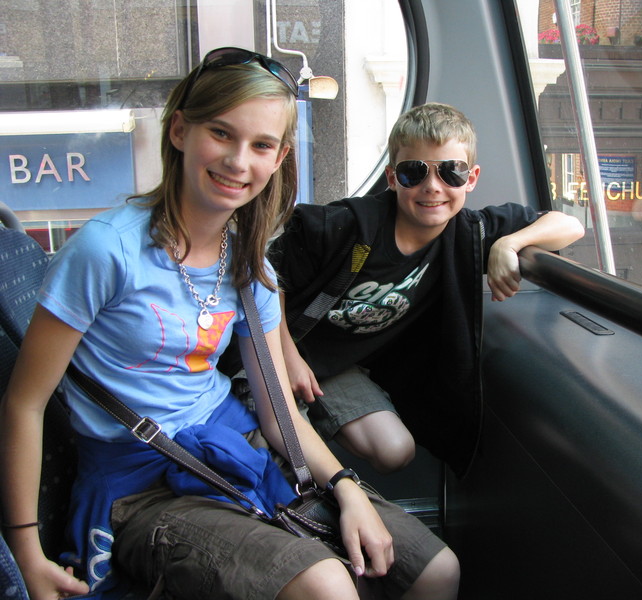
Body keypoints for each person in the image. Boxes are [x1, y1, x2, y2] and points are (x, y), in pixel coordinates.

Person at [0, 48, 459, 600]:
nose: (239, 161)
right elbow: (24, 404)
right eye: (221, 133)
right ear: (179, 131)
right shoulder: (106, 251)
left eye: (261, 145)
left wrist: (346, 487)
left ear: (279, 158)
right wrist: (25, 552)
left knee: (436, 570)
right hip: (139, 488)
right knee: (326, 585)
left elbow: (277, 410)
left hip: (237, 445)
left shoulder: (248, 265)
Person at [269, 102, 585, 476]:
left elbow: (570, 225)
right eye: (413, 172)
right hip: (276, 351)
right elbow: (268, 277)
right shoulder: (343, 226)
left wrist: (509, 244)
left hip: (334, 368)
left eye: (451, 172)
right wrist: (288, 357)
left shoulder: (470, 235)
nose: (432, 186)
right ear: (392, 178)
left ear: (471, 178)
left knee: (395, 450)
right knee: (268, 458)